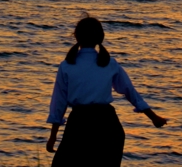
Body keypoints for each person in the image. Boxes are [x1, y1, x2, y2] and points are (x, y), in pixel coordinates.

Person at [46, 17, 167, 166]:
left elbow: (59, 103)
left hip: (80, 124)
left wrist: (53, 136)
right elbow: (130, 92)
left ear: (76, 36)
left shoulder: (67, 65)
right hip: (107, 125)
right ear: (100, 37)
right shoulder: (109, 63)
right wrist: (153, 117)